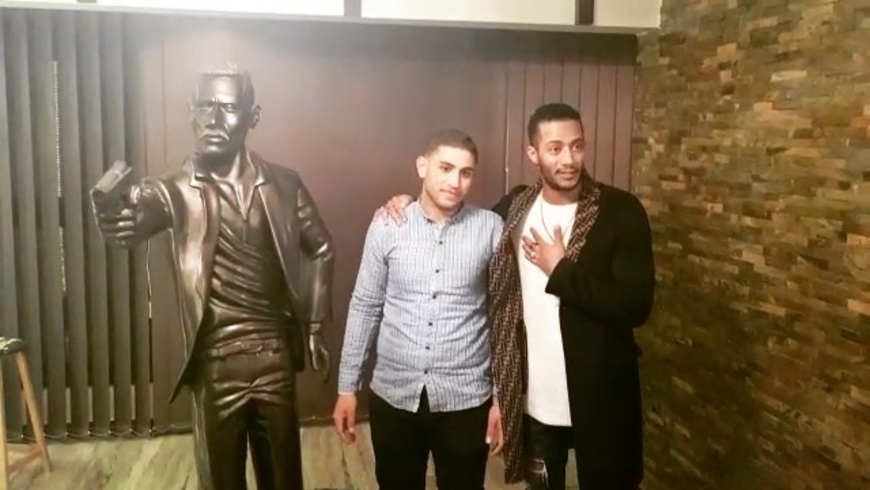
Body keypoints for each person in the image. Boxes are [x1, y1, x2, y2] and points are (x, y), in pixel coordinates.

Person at [376, 102, 655, 490]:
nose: (569, 159)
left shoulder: (620, 211)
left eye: (576, 146)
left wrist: (561, 271)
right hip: (536, 405)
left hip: (602, 400)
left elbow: (636, 306)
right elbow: (458, 222)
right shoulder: (515, 209)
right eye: (555, 148)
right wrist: (409, 203)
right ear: (533, 153)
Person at [90, 67, 334, 490]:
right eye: (204, 107)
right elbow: (136, 215)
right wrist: (115, 217)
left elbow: (322, 248)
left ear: (253, 116)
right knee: (220, 481)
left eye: (228, 108)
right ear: (191, 112)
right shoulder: (173, 189)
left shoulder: (284, 185)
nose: (214, 120)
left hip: (274, 360)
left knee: (284, 478)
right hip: (217, 367)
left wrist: (313, 326)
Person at [332, 129, 505, 490]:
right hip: (394, 394)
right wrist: (347, 386)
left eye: (466, 172)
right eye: (445, 168)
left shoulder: (490, 229)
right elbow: (365, 305)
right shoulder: (388, 224)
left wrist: (501, 399)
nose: (455, 182)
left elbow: (504, 318)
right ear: (422, 166)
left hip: (465, 399)